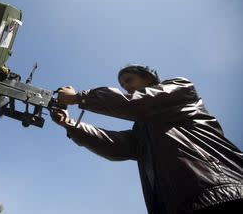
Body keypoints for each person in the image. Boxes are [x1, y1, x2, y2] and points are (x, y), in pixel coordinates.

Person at [51, 64, 243, 214]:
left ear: (148, 77)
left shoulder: (180, 89)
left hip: (222, 192)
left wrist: (79, 97)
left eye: (129, 80)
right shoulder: (142, 130)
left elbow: (137, 103)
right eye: (122, 84)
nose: (125, 87)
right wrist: (70, 124)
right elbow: (115, 145)